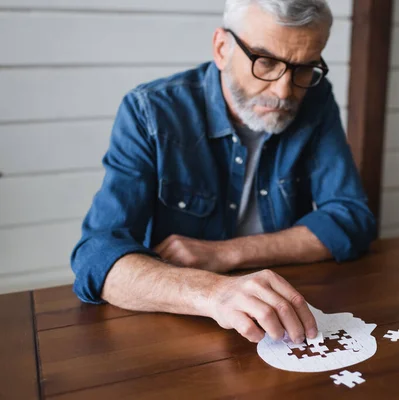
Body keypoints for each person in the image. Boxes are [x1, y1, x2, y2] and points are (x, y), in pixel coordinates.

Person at [71, 0, 376, 345]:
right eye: (266, 62)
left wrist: (228, 252)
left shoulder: (315, 98)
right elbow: (97, 258)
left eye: (304, 68)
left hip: (288, 316)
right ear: (221, 48)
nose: (284, 91)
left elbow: (351, 218)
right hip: (177, 331)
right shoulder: (150, 111)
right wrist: (215, 294)